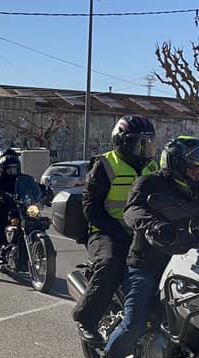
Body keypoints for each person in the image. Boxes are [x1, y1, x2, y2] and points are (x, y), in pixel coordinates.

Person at [89, 136, 199, 358]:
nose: (198, 174)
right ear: (177, 165)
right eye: (193, 168)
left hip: (189, 261)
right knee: (134, 322)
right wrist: (152, 226)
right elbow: (133, 210)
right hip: (147, 262)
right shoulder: (150, 182)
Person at [73, 115, 159, 343]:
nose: (144, 149)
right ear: (122, 142)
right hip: (105, 231)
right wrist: (117, 231)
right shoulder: (105, 164)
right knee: (111, 263)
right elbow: (91, 207)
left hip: (142, 230)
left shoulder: (152, 166)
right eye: (139, 143)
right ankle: (86, 319)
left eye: (148, 143)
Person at [0, 152, 36, 281]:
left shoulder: (24, 179)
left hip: (21, 208)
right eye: (10, 169)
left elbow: (34, 187)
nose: (13, 172)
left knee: (36, 221)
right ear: (3, 169)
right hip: (3, 209)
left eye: (15, 168)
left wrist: (44, 192)